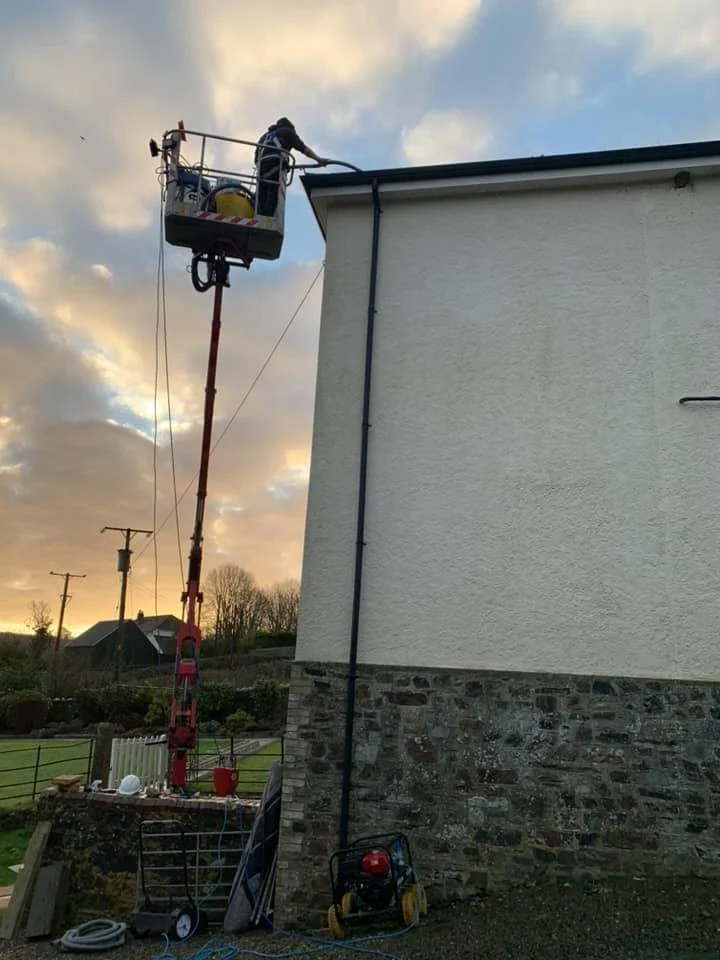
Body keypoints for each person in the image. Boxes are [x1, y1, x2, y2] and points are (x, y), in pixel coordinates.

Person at [254, 118, 328, 216]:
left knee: (260, 197)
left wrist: (261, 165)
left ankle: (258, 215)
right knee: (272, 194)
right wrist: (319, 159)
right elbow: (304, 148)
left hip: (261, 168)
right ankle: (267, 216)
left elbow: (256, 156)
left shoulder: (265, 136)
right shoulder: (288, 132)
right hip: (275, 164)